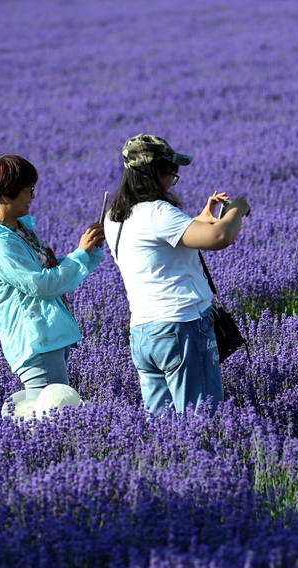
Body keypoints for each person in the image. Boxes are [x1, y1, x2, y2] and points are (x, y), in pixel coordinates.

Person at [103, 134, 250, 415]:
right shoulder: (158, 212)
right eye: (171, 172)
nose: (173, 178)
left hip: (144, 333)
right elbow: (220, 236)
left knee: (164, 430)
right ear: (154, 172)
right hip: (181, 327)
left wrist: (198, 219)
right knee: (201, 420)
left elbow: (155, 246)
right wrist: (236, 209)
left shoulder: (115, 216)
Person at [0, 154, 105, 400]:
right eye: (28, 190)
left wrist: (88, 250)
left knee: (55, 413)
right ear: (6, 195)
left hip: (48, 337)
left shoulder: (18, 228)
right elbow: (42, 284)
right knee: (50, 419)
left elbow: (47, 268)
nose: (33, 197)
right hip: (35, 342)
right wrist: (80, 254)